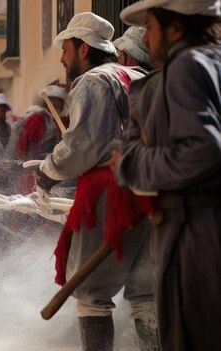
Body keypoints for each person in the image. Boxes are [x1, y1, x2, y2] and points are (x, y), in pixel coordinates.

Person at [35, 12, 159, 350]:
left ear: (83, 49)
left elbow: (83, 146)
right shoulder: (142, 76)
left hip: (110, 195)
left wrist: (46, 173)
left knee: (92, 296)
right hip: (153, 194)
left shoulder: (94, 81)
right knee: (146, 293)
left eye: (65, 49)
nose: (62, 58)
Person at [115, 1, 221, 349]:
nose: (144, 37)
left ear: (175, 28)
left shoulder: (187, 66)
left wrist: (130, 163)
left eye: (150, 27)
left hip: (197, 234)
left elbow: (203, 151)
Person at [7, 85, 69, 195]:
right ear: (46, 104)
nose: (54, 105)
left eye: (57, 103)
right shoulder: (37, 119)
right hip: (38, 161)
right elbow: (25, 144)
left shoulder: (64, 120)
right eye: (52, 102)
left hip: (58, 161)